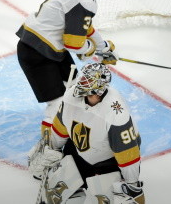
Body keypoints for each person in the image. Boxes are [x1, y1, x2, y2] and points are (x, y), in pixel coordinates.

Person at [16, 0, 118, 137]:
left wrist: (103, 47)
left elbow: (85, 28)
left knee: (74, 89)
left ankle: (69, 133)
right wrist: (91, 51)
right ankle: (48, 151)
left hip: (47, 48)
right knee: (57, 103)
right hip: (37, 53)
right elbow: (74, 43)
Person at [29, 62, 144, 203]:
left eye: (87, 80)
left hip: (108, 163)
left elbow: (127, 154)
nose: (81, 82)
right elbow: (61, 127)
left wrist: (132, 185)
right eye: (82, 78)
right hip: (78, 153)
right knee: (54, 194)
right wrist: (51, 149)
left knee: (105, 199)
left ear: (99, 87)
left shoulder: (116, 112)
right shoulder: (71, 96)